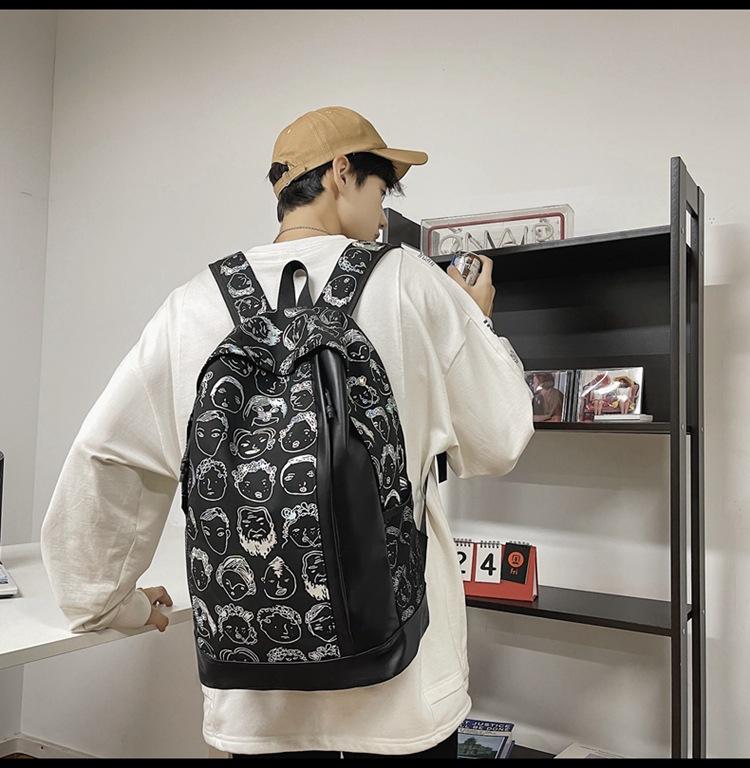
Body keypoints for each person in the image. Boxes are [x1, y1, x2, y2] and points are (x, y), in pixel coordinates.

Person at [40, 106, 534, 759]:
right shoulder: (410, 283)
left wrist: (110, 603)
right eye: (382, 190)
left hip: (255, 698)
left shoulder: (192, 304)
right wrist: (477, 320)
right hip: (401, 693)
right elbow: (500, 438)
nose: (382, 215)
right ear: (340, 172)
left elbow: (106, 458)